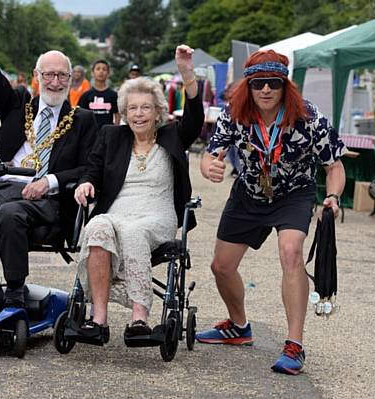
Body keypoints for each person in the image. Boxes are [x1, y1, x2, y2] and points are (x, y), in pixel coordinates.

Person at [196, 50, 346, 375]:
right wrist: (210, 167)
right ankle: (238, 327)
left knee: (291, 252)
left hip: (294, 194)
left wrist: (332, 196)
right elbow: (210, 154)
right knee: (221, 267)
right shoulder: (234, 113)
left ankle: (294, 345)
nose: (266, 90)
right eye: (258, 83)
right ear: (248, 86)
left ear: (284, 86)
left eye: (273, 83)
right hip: (249, 194)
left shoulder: (309, 117)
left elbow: (334, 166)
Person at [0, 8, 98, 310]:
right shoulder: (18, 105)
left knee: (10, 215)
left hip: (46, 202)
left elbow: (89, 168)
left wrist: (50, 181)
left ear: (71, 79)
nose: (55, 82)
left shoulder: (82, 120)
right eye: (49, 74)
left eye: (62, 75)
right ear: (36, 77)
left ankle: (16, 292)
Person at [71, 45, 204, 342]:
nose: (139, 114)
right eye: (132, 108)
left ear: (158, 111)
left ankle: (139, 319)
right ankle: (98, 319)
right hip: (118, 211)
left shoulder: (172, 135)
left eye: (145, 107)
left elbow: (195, 118)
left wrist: (187, 74)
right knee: (96, 227)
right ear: (123, 112)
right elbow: (92, 168)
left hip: (156, 215)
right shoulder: (112, 136)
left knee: (134, 231)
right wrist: (85, 183)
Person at [78, 59, 120, 127]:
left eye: (104, 69)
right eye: (98, 69)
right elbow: (80, 115)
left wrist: (116, 128)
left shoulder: (114, 95)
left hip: (108, 132)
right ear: (92, 73)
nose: (101, 71)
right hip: (91, 133)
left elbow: (117, 114)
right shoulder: (86, 95)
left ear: (108, 73)